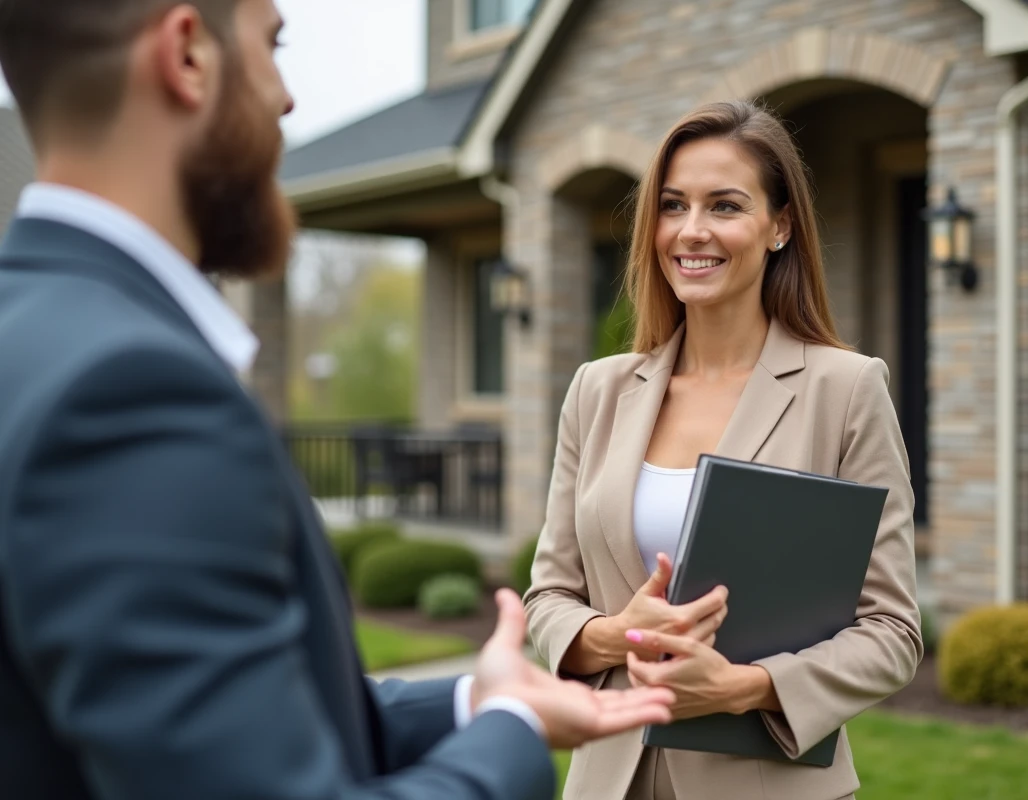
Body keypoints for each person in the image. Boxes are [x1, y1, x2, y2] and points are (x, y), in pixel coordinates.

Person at [0, 1, 676, 798]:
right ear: (188, 55)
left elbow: (230, 735)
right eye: (272, 46)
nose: (287, 97)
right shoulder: (134, 393)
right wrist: (512, 737)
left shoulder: (32, 336)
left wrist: (476, 701)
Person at [523, 99, 923, 800]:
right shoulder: (598, 391)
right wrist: (621, 637)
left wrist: (745, 688)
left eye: (726, 206)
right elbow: (549, 597)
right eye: (673, 206)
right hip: (609, 778)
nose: (692, 231)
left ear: (779, 227)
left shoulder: (847, 388)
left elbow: (892, 631)